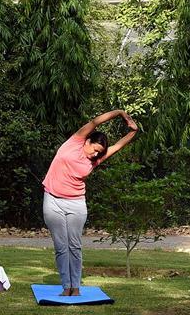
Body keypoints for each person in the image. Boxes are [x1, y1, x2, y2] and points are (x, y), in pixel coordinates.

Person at [42, 110, 138, 296]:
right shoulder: (74, 142)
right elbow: (95, 122)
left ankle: (76, 287)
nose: (96, 155)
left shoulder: (94, 160)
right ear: (87, 141)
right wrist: (120, 113)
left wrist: (133, 131)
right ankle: (66, 286)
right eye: (95, 149)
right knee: (61, 247)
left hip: (76, 203)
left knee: (74, 245)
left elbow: (117, 146)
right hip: (53, 200)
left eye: (99, 153)